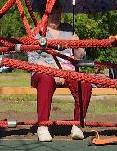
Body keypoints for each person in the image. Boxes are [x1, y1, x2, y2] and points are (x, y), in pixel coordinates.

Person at [26, 8, 91, 142]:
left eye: (58, 13)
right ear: (44, 15)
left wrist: (77, 45)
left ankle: (77, 125)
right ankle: (43, 126)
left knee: (85, 84)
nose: (56, 16)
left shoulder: (69, 30)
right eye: (52, 13)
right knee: (46, 79)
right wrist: (54, 72)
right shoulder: (36, 32)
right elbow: (33, 60)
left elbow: (79, 57)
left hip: (67, 70)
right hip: (43, 71)